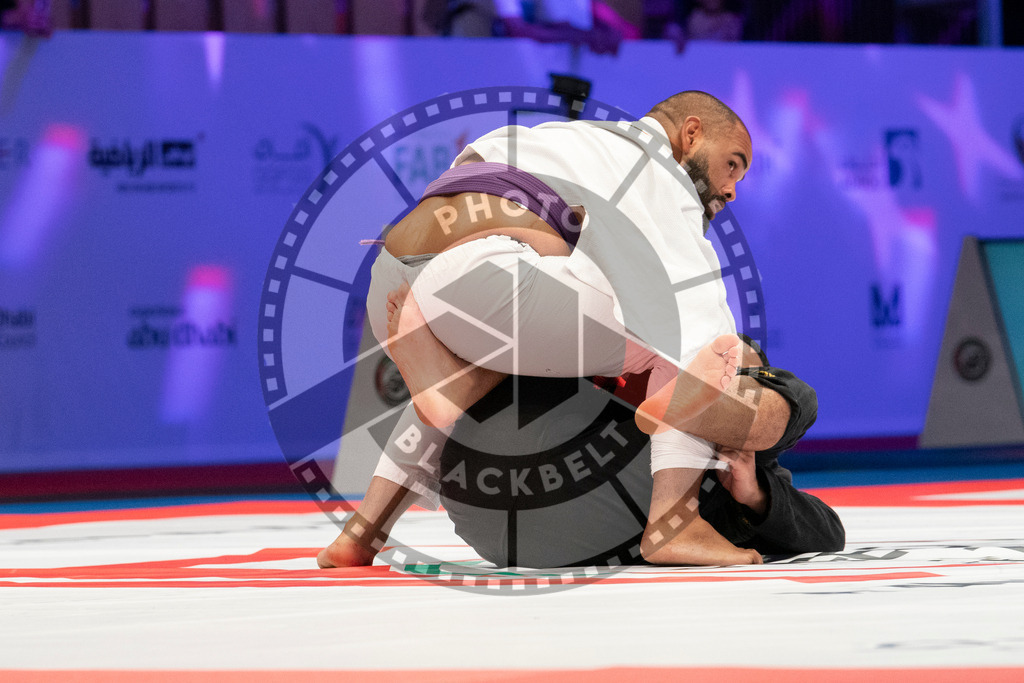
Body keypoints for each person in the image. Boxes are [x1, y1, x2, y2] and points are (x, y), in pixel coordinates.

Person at [319, 91, 808, 568]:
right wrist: (728, 377)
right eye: (733, 165)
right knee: (704, 344)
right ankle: (674, 522)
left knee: (498, 350)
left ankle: (362, 531)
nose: (731, 190)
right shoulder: (653, 168)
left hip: (394, 274)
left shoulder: (563, 138)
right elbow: (696, 305)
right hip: (479, 282)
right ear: (692, 134)